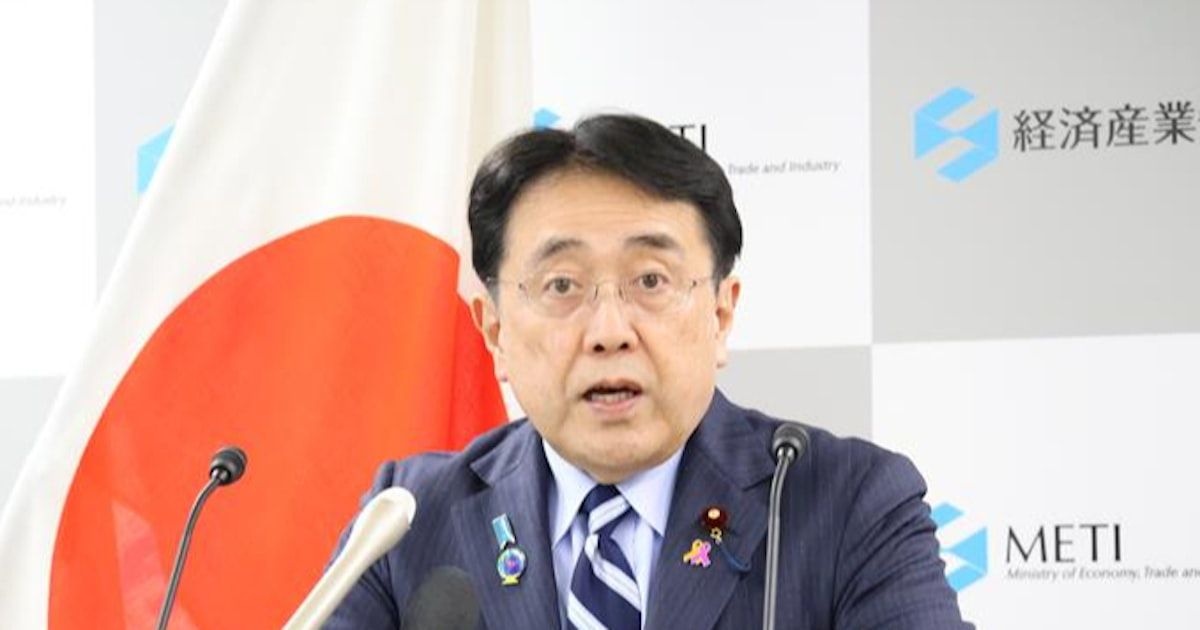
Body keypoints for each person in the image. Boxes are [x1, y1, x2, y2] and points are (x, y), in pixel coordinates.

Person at [324, 114, 971, 629]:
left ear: (720, 313)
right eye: (562, 285)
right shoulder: (408, 519)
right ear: (494, 331)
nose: (609, 332)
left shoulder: (848, 504)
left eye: (651, 280)